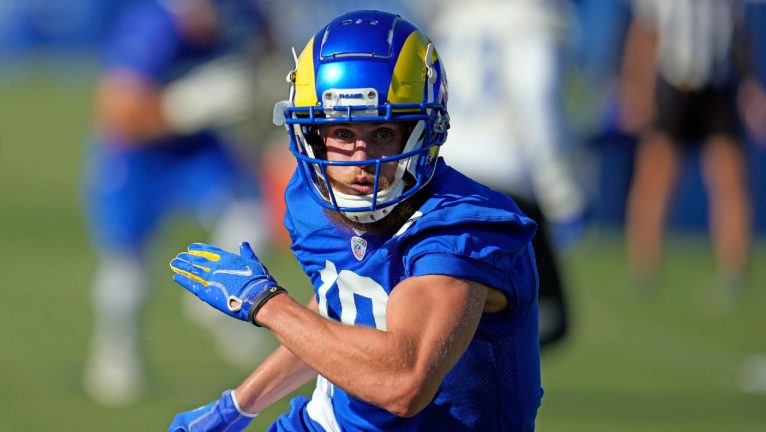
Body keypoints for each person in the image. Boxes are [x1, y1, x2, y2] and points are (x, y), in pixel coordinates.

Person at [168, 9, 542, 431]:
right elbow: (340, 309)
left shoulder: (460, 229)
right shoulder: (313, 200)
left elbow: (403, 384)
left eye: (382, 133)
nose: (361, 160)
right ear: (313, 135)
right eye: (343, 134)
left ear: (422, 131)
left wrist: (267, 304)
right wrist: (238, 404)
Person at [82, 0, 272, 406]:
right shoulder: (151, 28)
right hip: (138, 156)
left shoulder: (243, 13)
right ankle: (117, 353)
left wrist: (263, 85)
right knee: (127, 265)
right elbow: (121, 114)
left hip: (196, 148)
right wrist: (190, 102)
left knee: (250, 211)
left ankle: (217, 297)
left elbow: (274, 54)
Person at [429, 0, 587, 349]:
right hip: (504, 183)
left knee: (458, 308)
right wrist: (561, 194)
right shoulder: (530, 20)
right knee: (541, 319)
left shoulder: (457, 18)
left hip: (443, 178)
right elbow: (535, 99)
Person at [620, 0, 752, 294]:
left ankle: (734, 268)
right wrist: (638, 88)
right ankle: (645, 265)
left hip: (717, 82)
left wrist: (748, 83)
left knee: (729, 176)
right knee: (656, 175)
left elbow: (738, 31)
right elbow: (643, 32)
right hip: (673, 81)